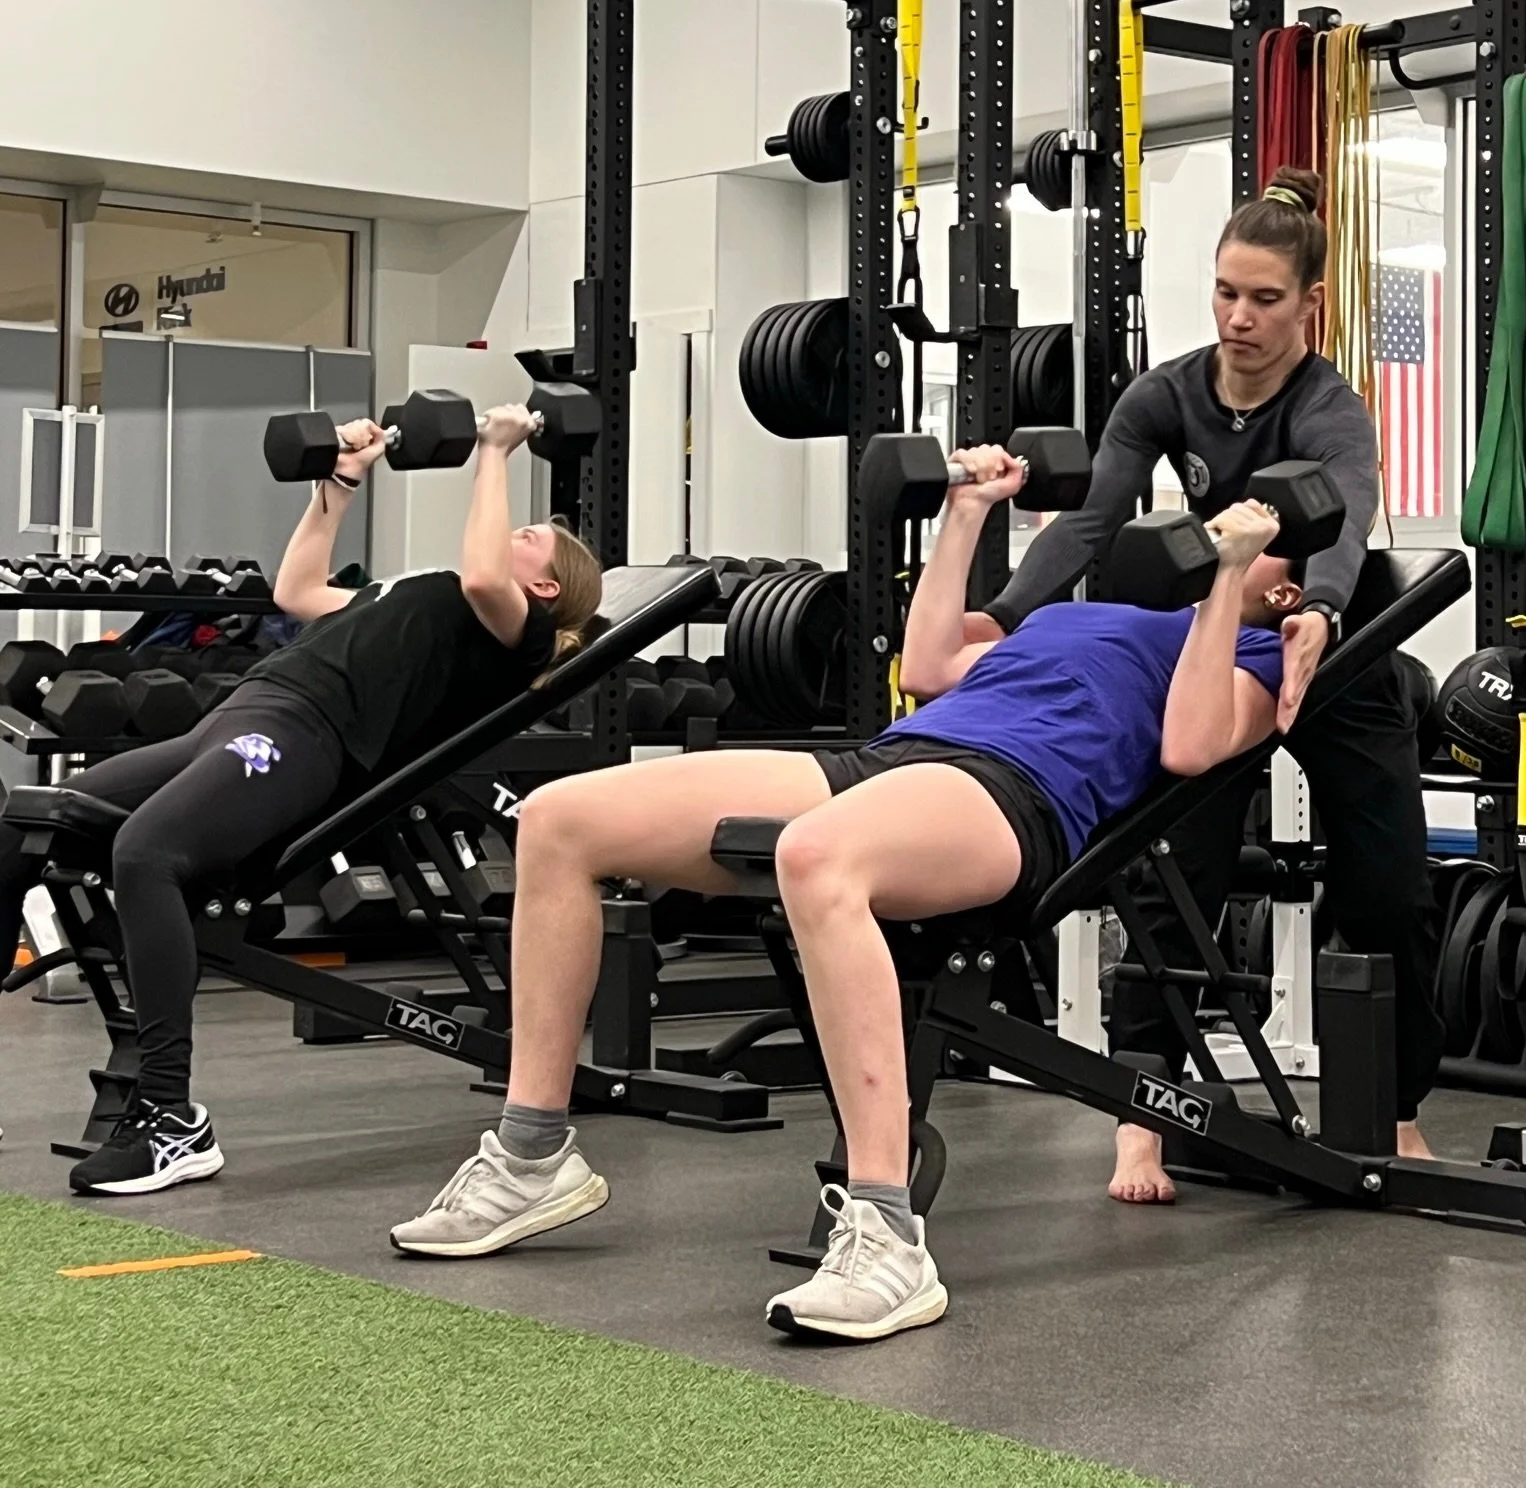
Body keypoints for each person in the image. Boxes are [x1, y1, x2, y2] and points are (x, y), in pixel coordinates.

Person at [392, 447, 1295, 1342]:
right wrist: (968, 511)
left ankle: (888, 1234)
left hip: (1013, 795)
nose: (1229, 528)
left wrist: (1224, 586)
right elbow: (932, 664)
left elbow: (1187, 746)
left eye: (1264, 535)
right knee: (557, 820)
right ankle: (530, 1154)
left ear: (1287, 588)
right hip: (892, 758)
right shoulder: (1071, 618)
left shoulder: (1257, 653)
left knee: (818, 856)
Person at [969, 167, 1440, 1206]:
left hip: (1338, 643)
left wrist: (1318, 606)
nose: (1239, 316)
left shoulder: (1331, 408)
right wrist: (1000, 613)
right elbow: (1094, 521)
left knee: (1389, 885)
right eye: (1225, 290)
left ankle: (1394, 1104)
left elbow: (1349, 518)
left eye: (1265, 298)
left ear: (1311, 304)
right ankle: (1146, 1114)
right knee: (1172, 870)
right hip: (1220, 642)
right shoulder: (1165, 393)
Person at [0, 404, 602, 1197]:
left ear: (546, 585)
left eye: (531, 535)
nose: (513, 531)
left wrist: (494, 451)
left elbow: (489, 570)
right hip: (235, 719)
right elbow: (297, 590)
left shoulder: (506, 633)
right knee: (29, 815)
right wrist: (342, 482)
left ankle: (172, 1122)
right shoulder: (416, 594)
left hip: (305, 738)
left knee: (146, 854)